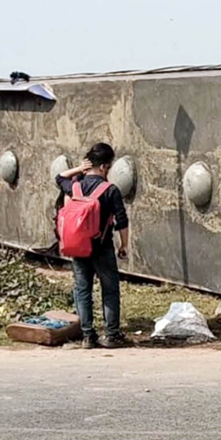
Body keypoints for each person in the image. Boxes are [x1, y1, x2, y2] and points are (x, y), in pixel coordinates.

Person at [56, 143, 131, 349]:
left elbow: (59, 178)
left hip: (78, 247)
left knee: (82, 289)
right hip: (102, 247)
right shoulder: (110, 190)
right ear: (105, 166)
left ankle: (88, 336)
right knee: (110, 290)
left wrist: (79, 169)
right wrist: (124, 246)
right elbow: (122, 222)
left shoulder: (75, 187)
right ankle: (112, 334)